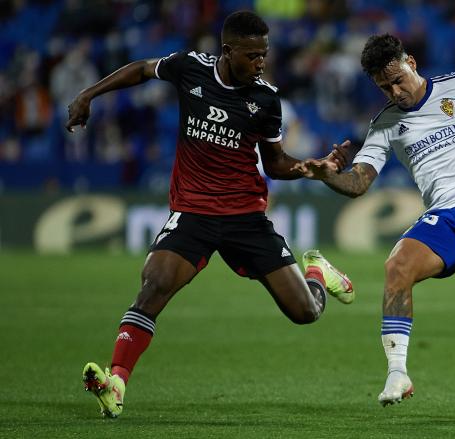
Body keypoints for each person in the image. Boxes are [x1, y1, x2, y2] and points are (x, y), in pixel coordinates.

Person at [66, 11, 354, 418]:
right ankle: (116, 382)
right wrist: (88, 94)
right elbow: (141, 70)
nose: (261, 63)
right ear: (227, 51)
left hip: (245, 218)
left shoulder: (266, 100)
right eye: (252, 55)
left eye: (265, 55)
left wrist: (311, 168)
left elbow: (273, 164)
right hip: (193, 213)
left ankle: (316, 274)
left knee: (305, 312)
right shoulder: (190, 68)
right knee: (153, 287)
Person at [296, 34, 455, 410]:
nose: (395, 91)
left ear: (411, 62)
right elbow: (360, 182)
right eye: (385, 87)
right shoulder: (385, 125)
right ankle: (398, 371)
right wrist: (327, 175)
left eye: (398, 79)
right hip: (442, 216)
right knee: (397, 265)